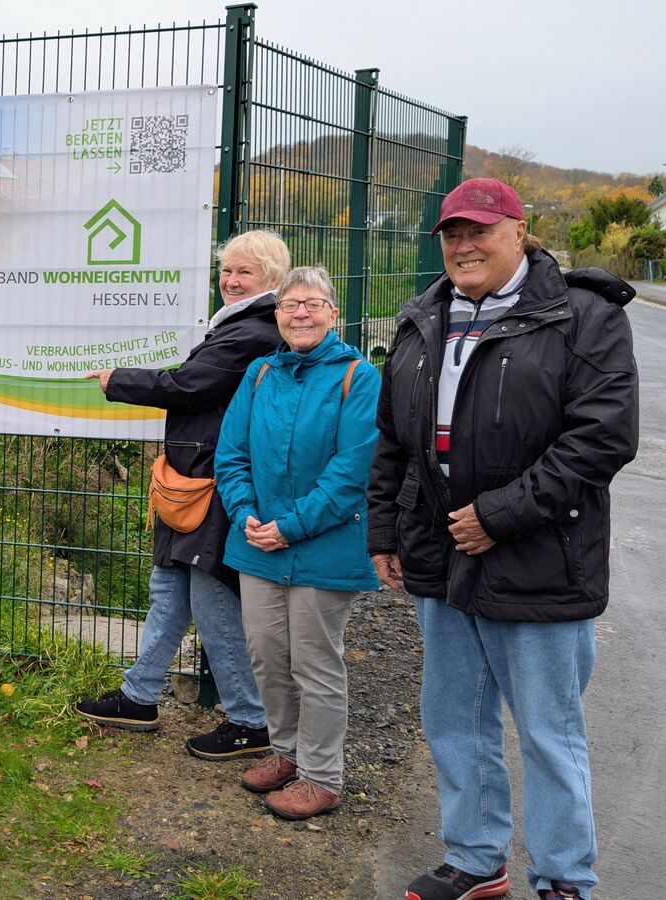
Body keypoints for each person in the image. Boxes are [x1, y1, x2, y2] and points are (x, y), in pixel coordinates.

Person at [367, 178, 638, 900]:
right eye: (452, 234)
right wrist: (386, 529)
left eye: (480, 231)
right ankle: (477, 858)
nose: (464, 245)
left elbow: (602, 438)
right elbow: (393, 438)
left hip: (540, 555)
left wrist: (502, 514)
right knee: (454, 720)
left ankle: (564, 880)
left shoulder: (581, 316)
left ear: (520, 232)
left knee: (549, 734)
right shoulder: (423, 317)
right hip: (441, 553)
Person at [73, 230, 287, 761]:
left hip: (216, 480)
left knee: (212, 597)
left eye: (246, 273)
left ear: (273, 281)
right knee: (168, 586)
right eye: (227, 271)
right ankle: (139, 694)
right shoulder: (240, 324)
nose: (232, 281)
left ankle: (250, 719)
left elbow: (192, 383)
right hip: (193, 477)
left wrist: (119, 379)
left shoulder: (253, 332)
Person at [213, 265, 379, 820]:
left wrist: (292, 526)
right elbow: (230, 454)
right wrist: (246, 515)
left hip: (323, 546)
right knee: (267, 657)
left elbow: (351, 471)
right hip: (257, 542)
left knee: (315, 664)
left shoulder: (359, 376)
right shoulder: (260, 373)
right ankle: (286, 754)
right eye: (289, 305)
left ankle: (322, 777)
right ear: (277, 314)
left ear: (333, 313)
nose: (300, 313)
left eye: (312, 303)